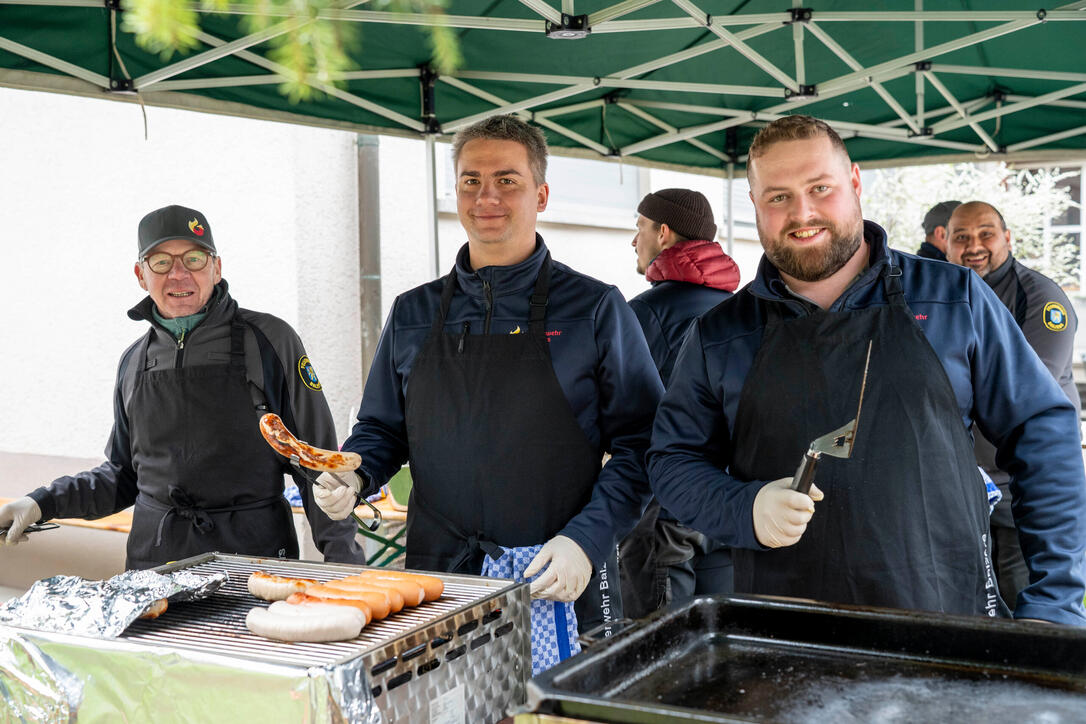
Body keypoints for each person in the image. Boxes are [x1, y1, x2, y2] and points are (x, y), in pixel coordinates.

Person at [648, 115, 1086, 625]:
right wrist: (742, 508)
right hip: (780, 633)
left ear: (855, 183)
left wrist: (1056, 601)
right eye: (778, 197)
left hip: (945, 621)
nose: (802, 213)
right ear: (754, 205)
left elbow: (1041, 432)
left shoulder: (953, 298)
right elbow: (672, 461)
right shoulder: (720, 335)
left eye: (820, 188)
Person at [313, 115, 663, 673]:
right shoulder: (413, 312)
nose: (486, 196)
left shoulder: (595, 309)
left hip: (557, 576)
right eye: (471, 181)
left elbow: (644, 446)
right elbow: (381, 430)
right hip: (438, 581)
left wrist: (587, 539)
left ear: (542, 194)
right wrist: (356, 476)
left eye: (507, 180)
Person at [0, 205, 363, 568]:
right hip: (155, 564)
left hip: (254, 558)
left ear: (216, 268)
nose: (178, 274)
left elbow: (317, 463)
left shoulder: (269, 341)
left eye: (193, 258)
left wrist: (344, 558)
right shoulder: (133, 362)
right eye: (161, 262)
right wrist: (40, 503)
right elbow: (123, 475)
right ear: (141, 274)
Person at [946, 200, 1082, 610]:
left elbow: (1021, 394)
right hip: (961, 490)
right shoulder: (944, 294)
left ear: (1007, 238)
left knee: (1028, 611)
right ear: (946, 244)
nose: (974, 246)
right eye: (961, 237)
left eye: (985, 234)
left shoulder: (1040, 298)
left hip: (1019, 491)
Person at [619, 188, 740, 618]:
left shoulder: (643, 313)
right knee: (722, 643)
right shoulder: (741, 310)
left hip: (664, 510)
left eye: (639, 228)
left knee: (659, 654)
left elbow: (616, 407)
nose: (635, 241)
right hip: (731, 505)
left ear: (664, 233)